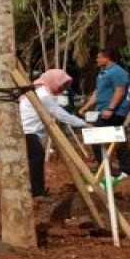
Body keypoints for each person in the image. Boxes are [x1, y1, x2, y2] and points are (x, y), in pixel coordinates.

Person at [19, 69, 85, 200]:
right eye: (62, 84)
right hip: (28, 131)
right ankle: (37, 192)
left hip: (32, 131)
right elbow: (59, 114)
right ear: (53, 81)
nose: (63, 88)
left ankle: (36, 190)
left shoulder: (43, 91)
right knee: (36, 160)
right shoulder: (43, 95)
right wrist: (82, 123)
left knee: (35, 160)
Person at [80, 48, 130, 179]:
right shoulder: (103, 73)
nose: (97, 60)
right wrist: (85, 107)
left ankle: (108, 168)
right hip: (104, 110)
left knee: (96, 135)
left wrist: (111, 109)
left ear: (107, 58)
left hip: (115, 111)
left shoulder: (117, 72)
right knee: (118, 139)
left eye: (99, 57)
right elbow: (97, 93)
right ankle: (123, 168)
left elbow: (119, 91)